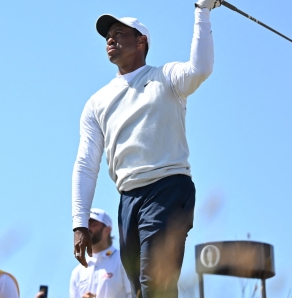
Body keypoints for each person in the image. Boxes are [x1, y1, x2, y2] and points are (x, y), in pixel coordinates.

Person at [71, 0, 221, 296]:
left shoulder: (165, 76)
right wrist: (79, 222)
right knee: (141, 289)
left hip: (168, 188)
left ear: (141, 41)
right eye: (107, 36)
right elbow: (86, 163)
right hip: (128, 198)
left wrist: (201, 11)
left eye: (118, 33)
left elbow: (200, 69)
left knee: (155, 283)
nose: (110, 39)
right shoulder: (96, 103)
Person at [70, 208, 131, 298]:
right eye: (85, 224)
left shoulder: (123, 261)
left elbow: (134, 295)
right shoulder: (78, 272)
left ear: (107, 230)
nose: (87, 228)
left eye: (93, 224)